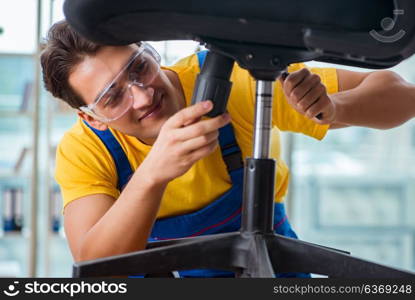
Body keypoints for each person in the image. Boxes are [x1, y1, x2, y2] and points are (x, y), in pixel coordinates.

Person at [41, 21, 414, 277]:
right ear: (92, 118)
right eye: (112, 97)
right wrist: (152, 174)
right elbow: (97, 268)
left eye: (139, 66)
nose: (142, 95)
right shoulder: (85, 149)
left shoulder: (233, 79)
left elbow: (402, 95)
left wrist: (334, 109)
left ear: (149, 51)